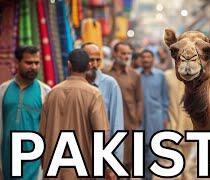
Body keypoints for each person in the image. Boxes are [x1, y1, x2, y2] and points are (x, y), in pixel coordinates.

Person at [39, 49, 114, 179]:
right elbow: (101, 134)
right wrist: (107, 167)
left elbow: (42, 134)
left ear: (69, 65)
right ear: (89, 66)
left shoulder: (52, 93)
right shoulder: (94, 94)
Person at [0, 46, 51, 180]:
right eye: (29, 63)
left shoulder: (45, 92)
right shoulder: (3, 90)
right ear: (17, 63)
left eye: (37, 63)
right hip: (7, 161)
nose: (34, 67)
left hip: (34, 164)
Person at [82, 42, 124, 163]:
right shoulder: (73, 85)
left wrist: (115, 162)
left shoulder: (110, 84)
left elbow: (117, 124)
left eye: (97, 60)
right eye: (90, 60)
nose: (94, 64)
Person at [107, 42, 143, 172]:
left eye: (128, 53)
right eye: (123, 53)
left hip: (129, 126)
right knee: (110, 162)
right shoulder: (105, 74)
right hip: (109, 125)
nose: (126, 56)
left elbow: (139, 100)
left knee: (127, 163)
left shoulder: (135, 75)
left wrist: (137, 120)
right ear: (115, 54)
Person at [137, 49, 169, 179]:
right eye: (143, 57)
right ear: (140, 60)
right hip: (139, 121)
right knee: (139, 154)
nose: (146, 60)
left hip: (155, 119)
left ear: (153, 59)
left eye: (149, 57)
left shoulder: (161, 76)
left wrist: (165, 117)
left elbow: (164, 99)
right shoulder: (135, 76)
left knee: (152, 155)